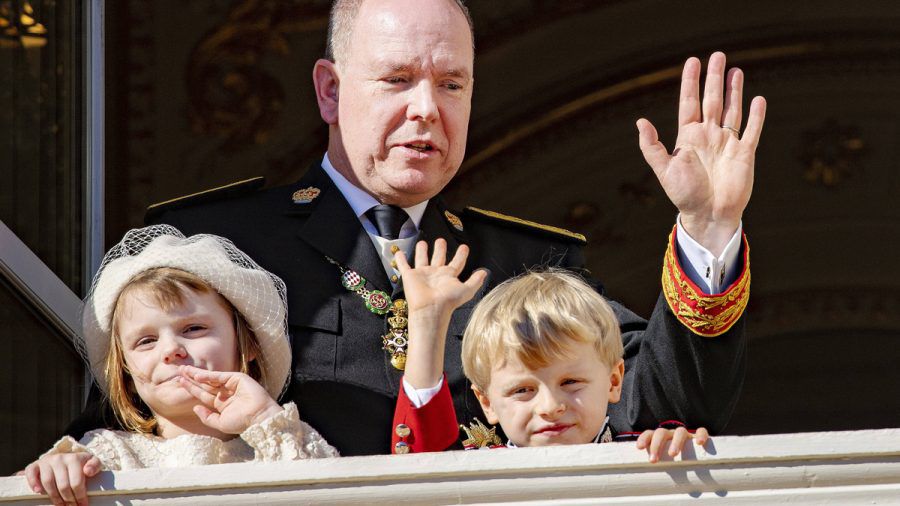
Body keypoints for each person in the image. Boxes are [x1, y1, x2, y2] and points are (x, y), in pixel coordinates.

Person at [69, 0, 764, 456]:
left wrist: (707, 228)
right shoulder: (215, 245)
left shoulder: (527, 260)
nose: (428, 109)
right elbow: (121, 429)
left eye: (452, 84)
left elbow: (664, 400)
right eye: (398, 80)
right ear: (330, 91)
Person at [29, 225, 337, 506]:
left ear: (249, 343)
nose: (171, 350)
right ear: (125, 370)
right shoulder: (105, 455)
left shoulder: (279, 444)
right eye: (146, 340)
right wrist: (57, 473)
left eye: (193, 329)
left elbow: (331, 495)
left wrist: (263, 417)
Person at [391, 240, 708, 459]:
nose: (550, 406)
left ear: (614, 381)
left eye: (570, 382)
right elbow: (419, 469)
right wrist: (429, 323)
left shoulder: (648, 454)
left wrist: (683, 458)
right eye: (522, 390)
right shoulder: (476, 474)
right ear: (486, 402)